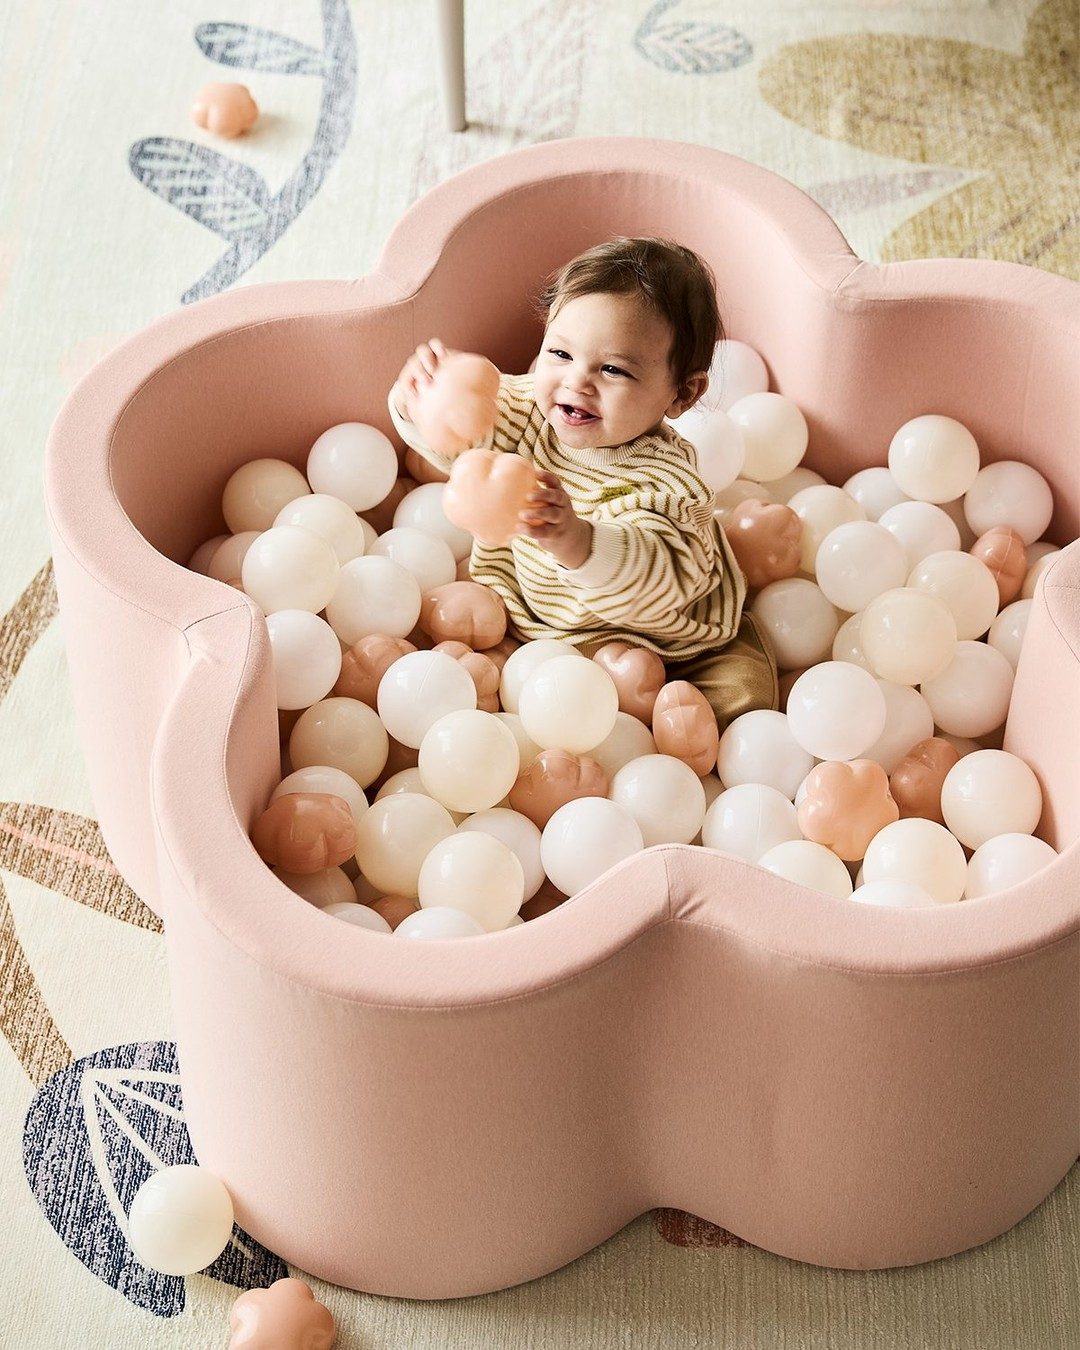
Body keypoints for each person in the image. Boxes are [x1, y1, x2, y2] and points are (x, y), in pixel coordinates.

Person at [388, 235, 777, 732]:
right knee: (473, 664)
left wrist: (577, 541)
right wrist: (422, 401)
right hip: (539, 622)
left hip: (672, 638)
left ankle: (671, 726)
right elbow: (461, 440)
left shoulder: (666, 481)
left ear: (682, 393)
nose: (577, 382)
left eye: (612, 369)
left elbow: (663, 579)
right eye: (560, 354)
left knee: (747, 690)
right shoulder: (527, 409)